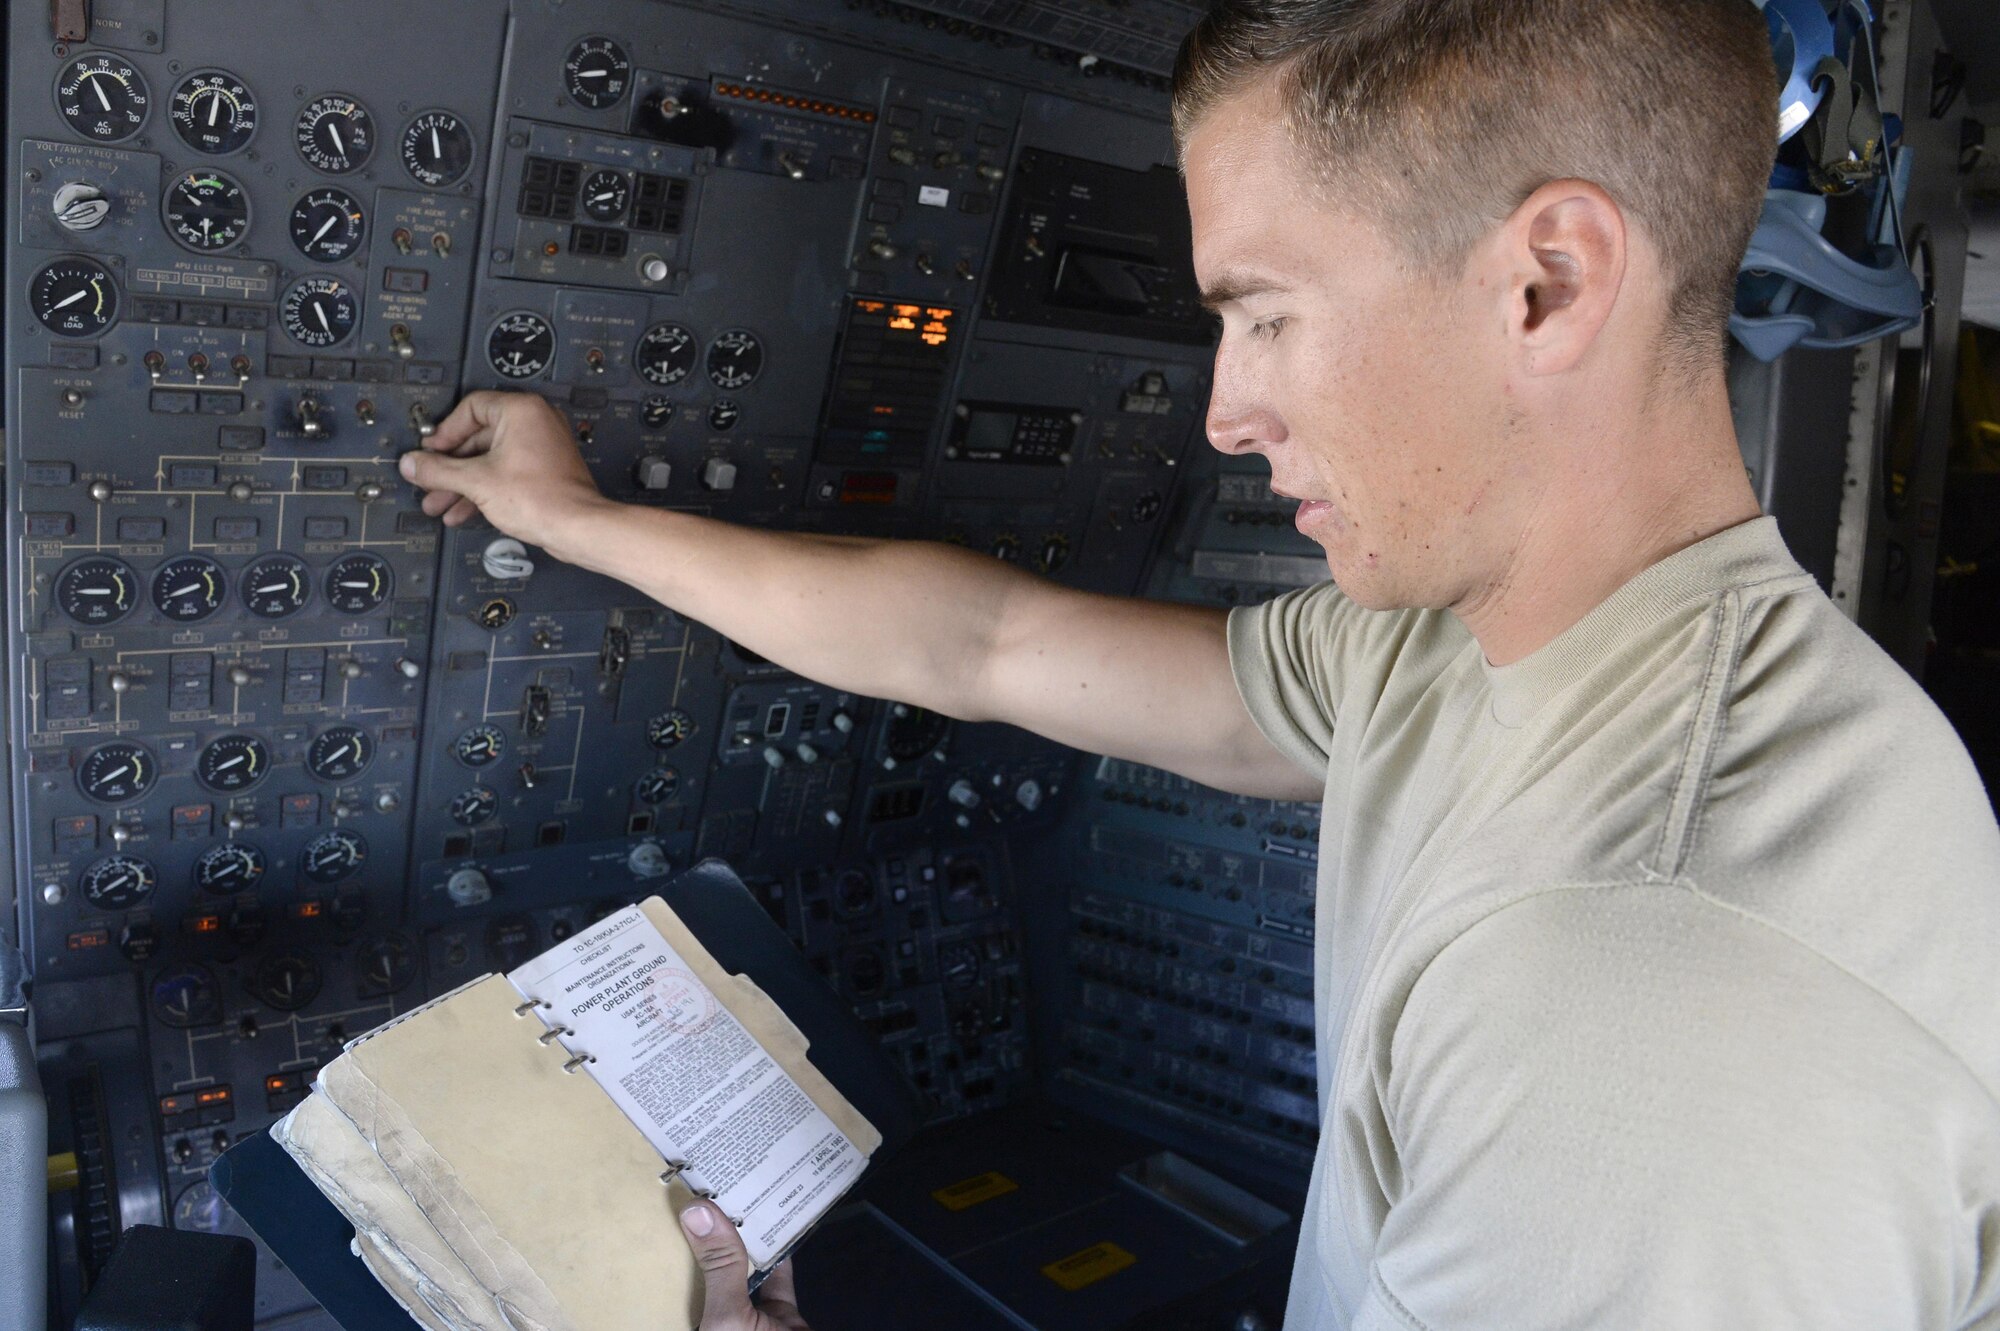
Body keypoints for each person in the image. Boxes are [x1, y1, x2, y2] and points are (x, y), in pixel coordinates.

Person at [401, 0, 2000, 1325]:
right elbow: (985, 642)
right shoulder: (1458, 651)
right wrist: (572, 519)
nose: (1226, 411)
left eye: (1268, 315)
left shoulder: (1657, 997)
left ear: (1548, 283)